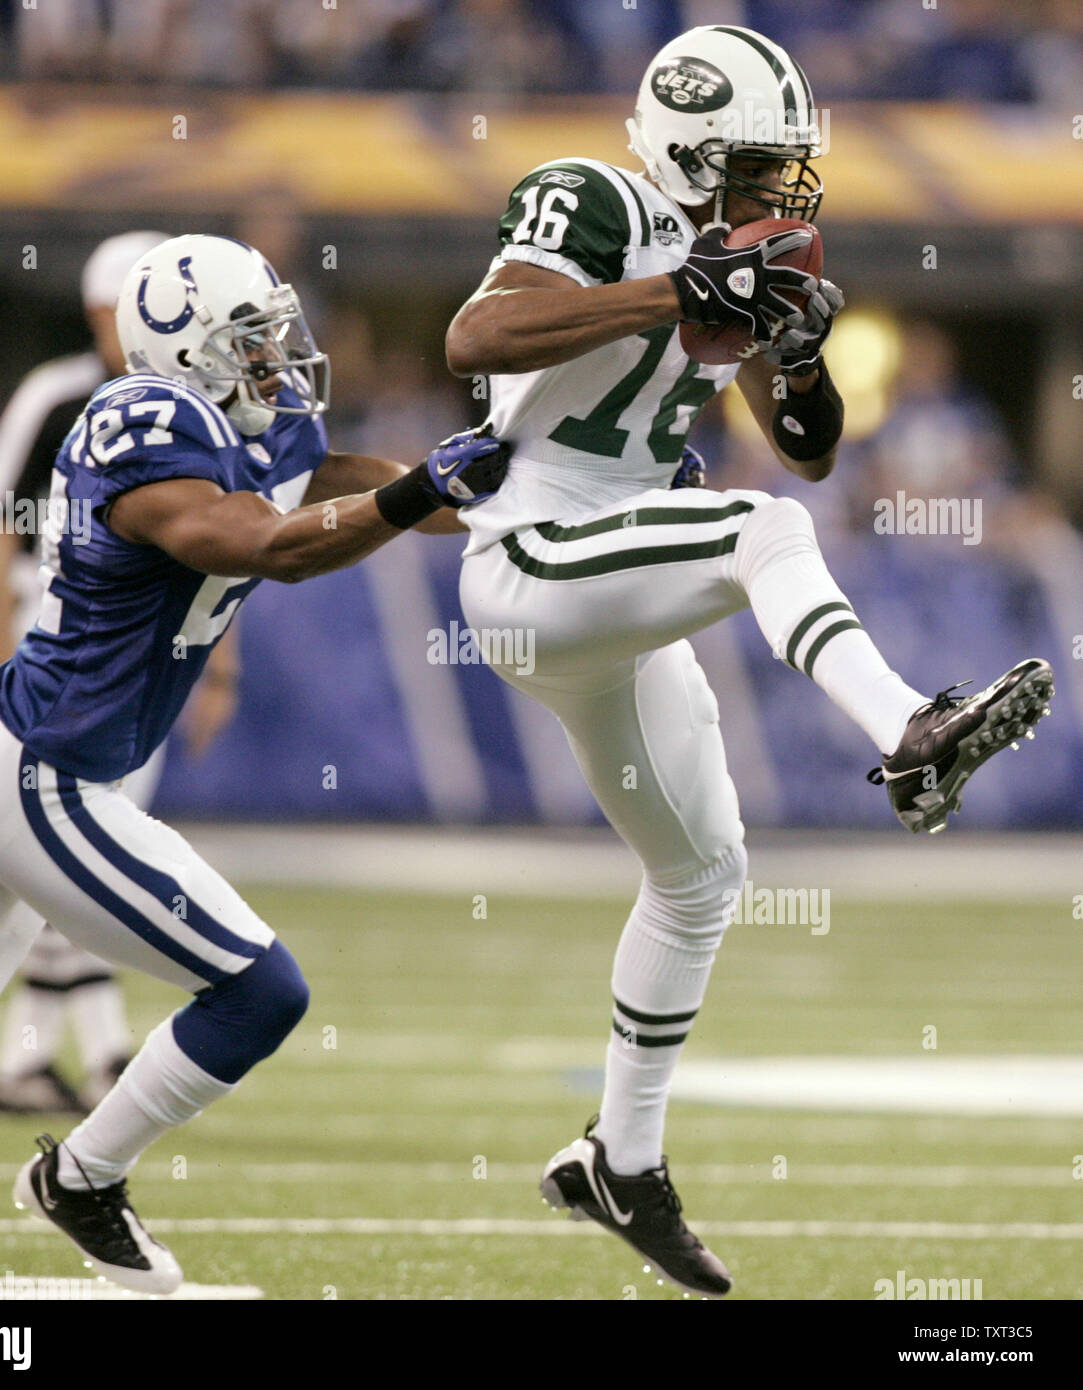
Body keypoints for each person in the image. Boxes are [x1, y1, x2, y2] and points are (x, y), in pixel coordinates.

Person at [445, 24, 1053, 1297]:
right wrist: (679, 293)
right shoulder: (598, 195)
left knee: (704, 870)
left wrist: (793, 346)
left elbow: (810, 448)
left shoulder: (756, 246)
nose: (786, 184)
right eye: (765, 160)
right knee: (761, 531)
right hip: (533, 550)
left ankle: (623, 1156)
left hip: (615, 574)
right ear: (691, 145)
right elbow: (479, 339)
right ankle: (907, 733)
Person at [0, 232, 509, 1295]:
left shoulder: (241, 420)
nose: (278, 363)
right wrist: (410, 498)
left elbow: (366, 485)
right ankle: (83, 1174)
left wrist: (540, 490)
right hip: (40, 771)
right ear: (184, 349)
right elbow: (261, 541)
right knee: (261, 992)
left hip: (10, 745)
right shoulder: (143, 422)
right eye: (252, 343)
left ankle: (82, 1173)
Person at [0, 229, 240, 1117]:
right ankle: (91, 1053)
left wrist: (219, 662)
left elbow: (222, 546)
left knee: (86, 842)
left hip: (138, 637)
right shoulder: (64, 395)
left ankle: (40, 1058)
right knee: (78, 840)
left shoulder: (201, 406)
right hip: (60, 633)